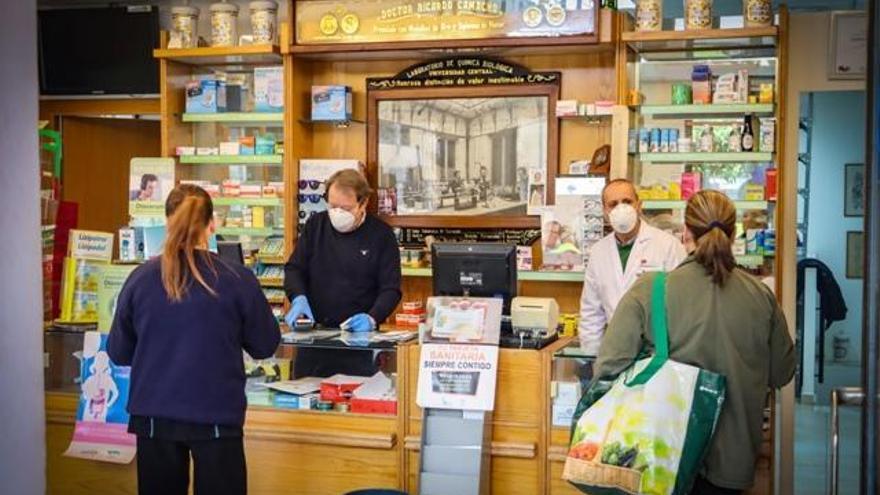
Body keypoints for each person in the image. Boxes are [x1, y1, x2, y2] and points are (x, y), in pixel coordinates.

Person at [594, 190, 795, 494]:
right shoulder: (761, 295)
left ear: (685, 233)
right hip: (733, 461)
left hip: (660, 457)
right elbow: (782, 373)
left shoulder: (650, 290)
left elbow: (608, 368)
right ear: (734, 233)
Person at [107, 184, 280, 495]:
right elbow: (265, 345)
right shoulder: (236, 278)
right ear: (212, 224)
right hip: (215, 416)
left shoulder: (141, 278)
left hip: (153, 418)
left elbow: (119, 352)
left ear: (167, 222)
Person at [284, 169, 402, 378]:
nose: (337, 213)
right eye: (333, 206)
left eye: (345, 208)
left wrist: (372, 318)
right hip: (313, 340)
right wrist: (298, 298)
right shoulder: (316, 225)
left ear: (363, 203)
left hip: (359, 345)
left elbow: (391, 289)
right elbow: (295, 269)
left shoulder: (381, 235)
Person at [578, 179, 686, 354]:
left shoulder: (668, 245)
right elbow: (591, 313)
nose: (621, 209)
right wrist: (591, 358)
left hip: (658, 351)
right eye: (613, 204)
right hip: (616, 350)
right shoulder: (599, 252)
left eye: (627, 202)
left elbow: (682, 305)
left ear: (639, 205)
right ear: (605, 212)